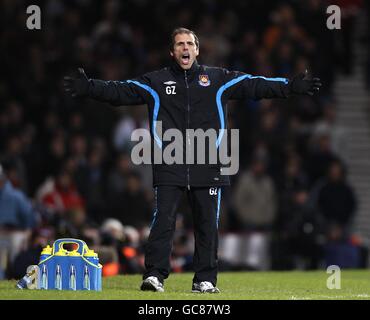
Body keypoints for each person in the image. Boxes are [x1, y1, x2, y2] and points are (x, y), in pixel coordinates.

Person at [64, 27, 321, 293]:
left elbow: (255, 85)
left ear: (197, 49)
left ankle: (205, 279)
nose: (185, 48)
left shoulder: (218, 78)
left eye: (189, 43)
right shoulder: (156, 82)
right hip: (169, 160)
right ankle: (154, 276)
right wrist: (90, 87)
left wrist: (290, 87)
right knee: (163, 219)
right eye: (179, 44)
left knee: (207, 223)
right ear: (172, 52)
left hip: (208, 161)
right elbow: (121, 91)